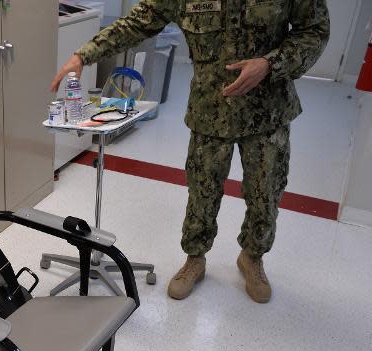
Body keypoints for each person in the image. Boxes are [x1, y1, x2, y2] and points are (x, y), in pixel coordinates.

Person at [51, 0, 329, 303]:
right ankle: (195, 259)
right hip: (210, 110)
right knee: (202, 193)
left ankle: (252, 257)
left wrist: (270, 64)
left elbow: (314, 31)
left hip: (269, 112)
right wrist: (84, 55)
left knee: (266, 193)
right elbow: (138, 22)